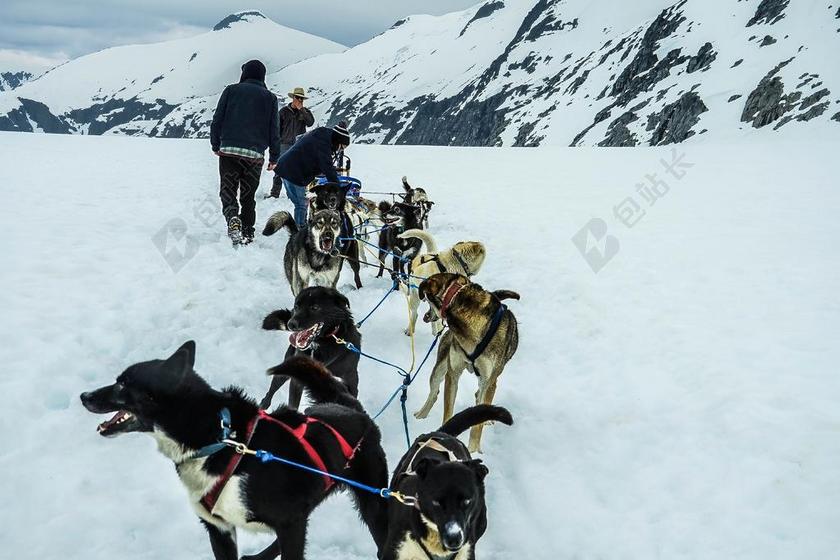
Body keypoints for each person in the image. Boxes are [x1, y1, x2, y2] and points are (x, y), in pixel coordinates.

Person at [210, 59, 280, 245]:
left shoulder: (231, 91)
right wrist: (274, 157)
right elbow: (274, 130)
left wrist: (215, 145)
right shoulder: (270, 98)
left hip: (229, 152)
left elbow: (217, 120)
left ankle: (233, 216)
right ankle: (248, 230)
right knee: (248, 196)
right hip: (255, 156)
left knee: (228, 190)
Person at [274, 122, 351, 226]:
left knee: (300, 203)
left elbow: (320, 161)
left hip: (287, 168)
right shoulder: (323, 144)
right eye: (342, 147)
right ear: (338, 141)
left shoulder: (322, 136)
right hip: (293, 172)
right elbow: (327, 167)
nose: (340, 150)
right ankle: (299, 230)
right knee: (301, 204)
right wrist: (339, 189)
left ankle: (300, 226)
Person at [265, 87, 315, 199]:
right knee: (280, 169)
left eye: (301, 98)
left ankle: (297, 194)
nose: (300, 100)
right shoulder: (283, 112)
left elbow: (310, 123)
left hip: (299, 145)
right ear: (293, 98)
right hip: (284, 144)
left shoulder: (305, 112)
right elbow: (276, 129)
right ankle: (274, 194)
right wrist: (275, 144)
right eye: (297, 97)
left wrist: (302, 110)